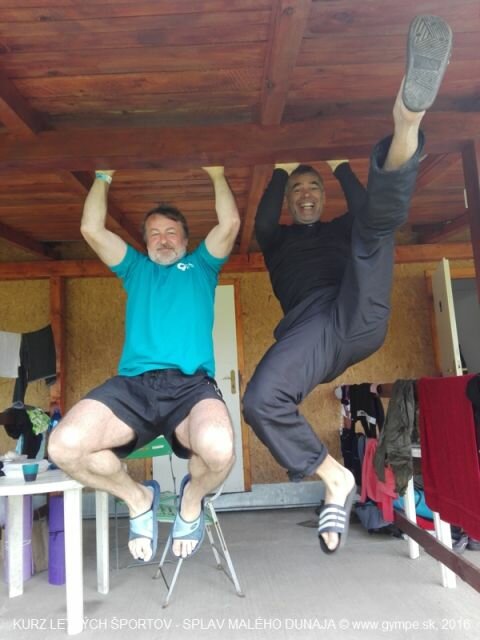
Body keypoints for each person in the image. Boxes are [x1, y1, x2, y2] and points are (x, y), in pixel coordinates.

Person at [243, 15, 453, 554]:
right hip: (311, 329)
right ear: (291, 199)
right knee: (261, 399)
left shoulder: (341, 225)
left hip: (357, 306)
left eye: (313, 187)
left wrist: (340, 166)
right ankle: (334, 478)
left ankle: (407, 121)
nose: (306, 195)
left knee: (373, 230)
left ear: (324, 195)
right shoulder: (277, 240)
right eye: (298, 190)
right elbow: (262, 218)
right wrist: (281, 171)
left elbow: (364, 209)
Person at [48, 166, 240, 562]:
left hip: (191, 386)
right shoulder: (136, 269)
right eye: (154, 233)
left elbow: (230, 223)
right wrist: (102, 177)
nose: (162, 240)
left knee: (219, 450)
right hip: (134, 386)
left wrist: (217, 174)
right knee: (64, 447)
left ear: (185, 240)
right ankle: (138, 499)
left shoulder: (202, 266)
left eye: (170, 232)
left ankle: (191, 500)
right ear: (145, 241)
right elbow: (90, 229)